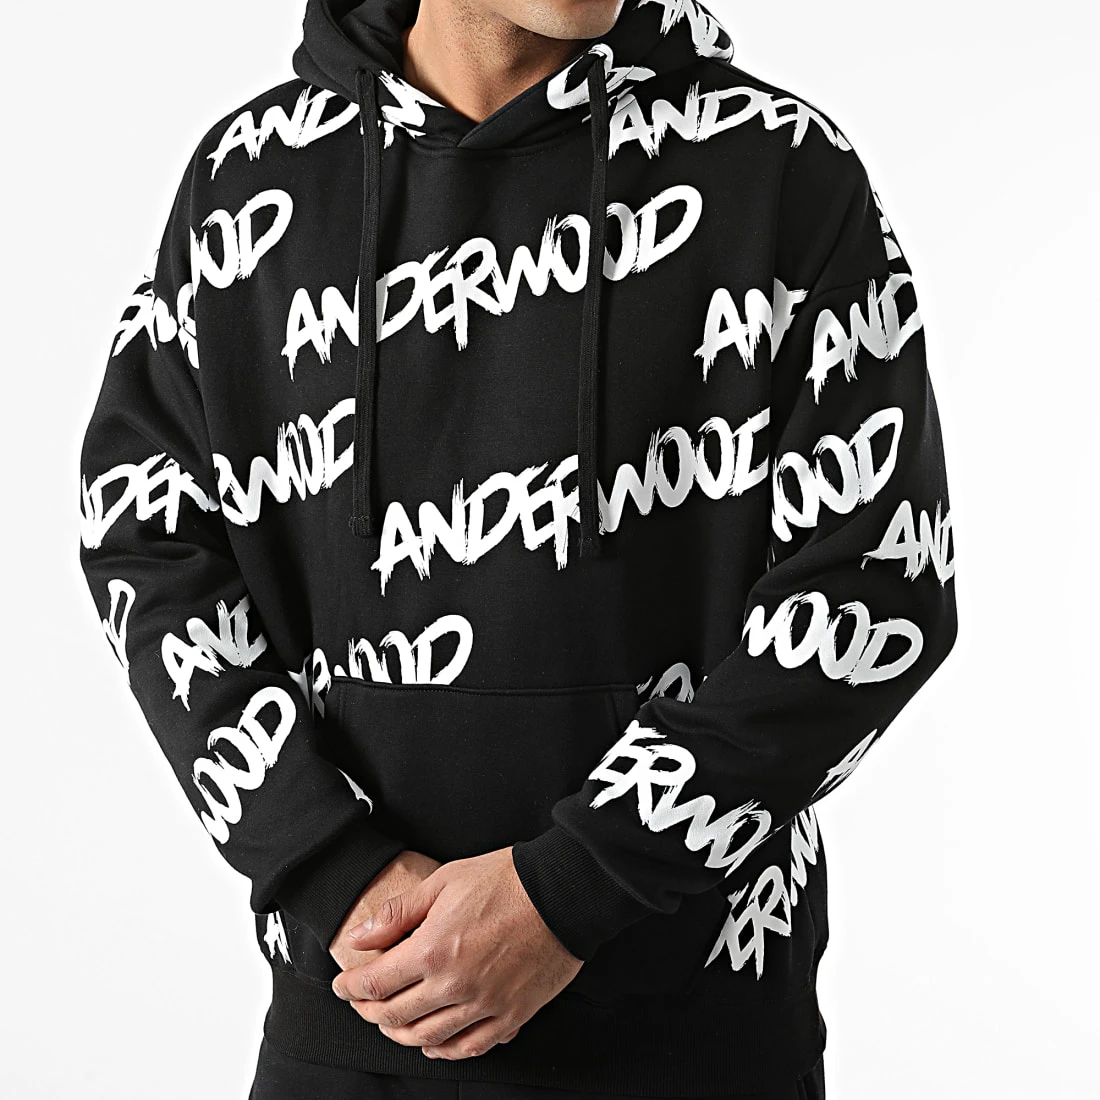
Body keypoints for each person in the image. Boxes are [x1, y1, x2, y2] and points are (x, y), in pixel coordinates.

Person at [76, 0, 958, 1096]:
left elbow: (879, 582)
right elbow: (148, 541)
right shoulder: (250, 182)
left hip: (700, 1033)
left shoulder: (780, 171)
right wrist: (330, 870)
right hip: (356, 1020)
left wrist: (570, 890)